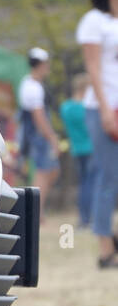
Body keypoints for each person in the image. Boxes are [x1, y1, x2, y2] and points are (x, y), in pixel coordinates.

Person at [78, 0, 118, 269]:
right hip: (101, 108)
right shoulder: (94, 21)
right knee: (109, 177)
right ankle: (105, 249)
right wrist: (106, 110)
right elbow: (93, 68)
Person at [17, 47, 61, 220]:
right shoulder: (33, 87)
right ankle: (36, 213)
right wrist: (51, 137)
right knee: (43, 172)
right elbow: (39, 116)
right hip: (39, 136)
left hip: (35, 134)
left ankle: (38, 211)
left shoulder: (29, 83)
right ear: (41, 65)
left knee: (52, 170)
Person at [61, 73, 94, 228]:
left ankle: (83, 217)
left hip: (77, 149)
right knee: (91, 184)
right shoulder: (86, 109)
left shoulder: (66, 107)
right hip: (91, 148)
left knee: (83, 184)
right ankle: (89, 218)